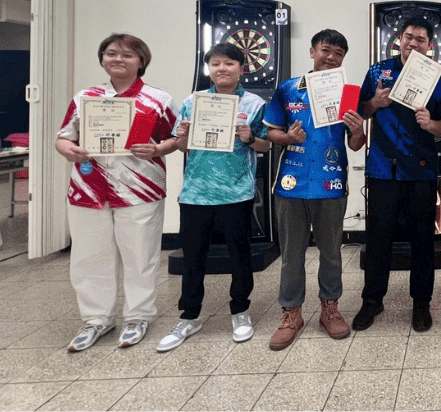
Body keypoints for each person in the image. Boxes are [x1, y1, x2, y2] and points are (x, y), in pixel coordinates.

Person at [55, 33, 177, 352]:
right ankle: (96, 319)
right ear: (102, 59)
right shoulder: (86, 97)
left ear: (141, 61)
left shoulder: (158, 99)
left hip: (140, 189)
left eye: (127, 54)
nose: (118, 59)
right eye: (111, 53)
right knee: (89, 256)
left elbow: (176, 138)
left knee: (141, 256)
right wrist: (69, 150)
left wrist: (157, 149)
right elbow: (64, 137)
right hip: (88, 189)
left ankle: (138, 316)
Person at [154, 43, 271, 352]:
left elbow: (265, 145)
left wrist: (248, 137)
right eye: (215, 63)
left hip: (237, 192)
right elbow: (182, 147)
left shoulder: (255, 103)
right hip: (196, 193)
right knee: (193, 258)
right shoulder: (193, 102)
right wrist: (181, 136)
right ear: (209, 69)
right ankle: (189, 316)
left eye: (229, 63)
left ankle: (240, 310)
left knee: (240, 255)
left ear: (241, 69)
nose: (222, 68)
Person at [264, 29, 367, 350]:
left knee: (332, 253)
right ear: (312, 52)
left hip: (331, 184)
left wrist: (358, 130)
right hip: (291, 185)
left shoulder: (348, 93)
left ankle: (329, 309)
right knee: (291, 254)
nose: (331, 57)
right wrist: (288, 138)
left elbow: (355, 144)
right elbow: (271, 133)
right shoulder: (287, 89)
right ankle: (291, 313)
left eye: (338, 53)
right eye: (326, 50)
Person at [354, 17, 441, 332]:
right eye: (409, 37)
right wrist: (375, 101)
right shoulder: (378, 71)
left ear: (429, 45)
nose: (413, 43)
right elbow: (360, 110)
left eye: (420, 39)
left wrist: (429, 124)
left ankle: (421, 303)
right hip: (382, 170)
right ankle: (372, 301)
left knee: (422, 241)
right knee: (378, 239)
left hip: (420, 171)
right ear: (400, 39)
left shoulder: (437, 79)